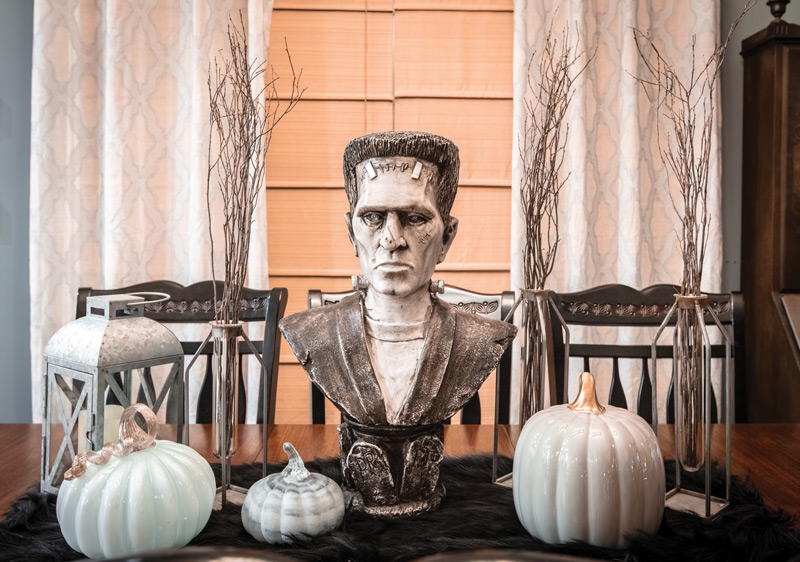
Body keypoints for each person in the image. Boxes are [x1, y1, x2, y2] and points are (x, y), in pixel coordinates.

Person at [280, 130, 517, 516]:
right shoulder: (310, 334)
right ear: (350, 233)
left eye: (415, 218)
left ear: (447, 238)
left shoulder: (480, 340)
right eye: (372, 217)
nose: (392, 239)